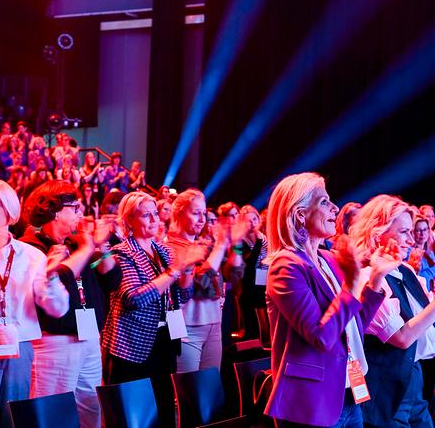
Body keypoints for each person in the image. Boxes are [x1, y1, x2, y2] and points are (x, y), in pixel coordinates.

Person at [263, 172, 393, 427]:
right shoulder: (286, 265)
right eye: (323, 202)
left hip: (346, 391)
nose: (335, 208)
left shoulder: (329, 259)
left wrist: (376, 277)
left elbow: (353, 325)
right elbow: (321, 337)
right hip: (311, 401)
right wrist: (353, 284)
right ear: (300, 214)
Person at [350, 195, 435, 428]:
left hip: (416, 380)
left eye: (411, 232)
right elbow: (402, 338)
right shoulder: (367, 277)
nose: (411, 240)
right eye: (403, 232)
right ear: (377, 232)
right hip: (386, 391)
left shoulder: (407, 270)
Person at [0, 179, 69, 428]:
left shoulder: (32, 255)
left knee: (13, 420)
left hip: (20, 346)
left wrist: (51, 276)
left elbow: (57, 308)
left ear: (9, 209)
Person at [20, 180, 119, 428]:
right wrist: (87, 248)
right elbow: (54, 280)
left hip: (89, 338)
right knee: (55, 414)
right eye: (74, 207)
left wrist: (101, 247)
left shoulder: (75, 245)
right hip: (54, 342)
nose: (80, 213)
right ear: (53, 210)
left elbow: (112, 279)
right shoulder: (30, 247)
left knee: (91, 411)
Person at [102, 191, 195, 427]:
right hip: (132, 346)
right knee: (135, 416)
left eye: (155, 214)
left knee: (163, 411)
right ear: (129, 220)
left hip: (164, 341)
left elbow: (183, 295)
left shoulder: (163, 252)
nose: (155, 220)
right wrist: (174, 271)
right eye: (147, 215)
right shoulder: (121, 253)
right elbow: (133, 298)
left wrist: (187, 270)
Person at [165, 189, 232, 373]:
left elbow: (231, 275)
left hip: (214, 323)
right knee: (188, 391)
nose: (202, 219)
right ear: (179, 213)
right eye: (195, 213)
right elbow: (199, 280)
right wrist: (221, 245)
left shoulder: (202, 244)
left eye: (203, 213)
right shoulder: (168, 246)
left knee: (210, 390)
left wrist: (237, 245)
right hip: (188, 328)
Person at [234, 205, 268, 341]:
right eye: (248, 220)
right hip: (247, 288)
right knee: (252, 327)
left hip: (264, 282)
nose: (252, 223)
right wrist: (258, 244)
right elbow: (247, 264)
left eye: (254, 219)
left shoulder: (264, 238)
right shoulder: (238, 241)